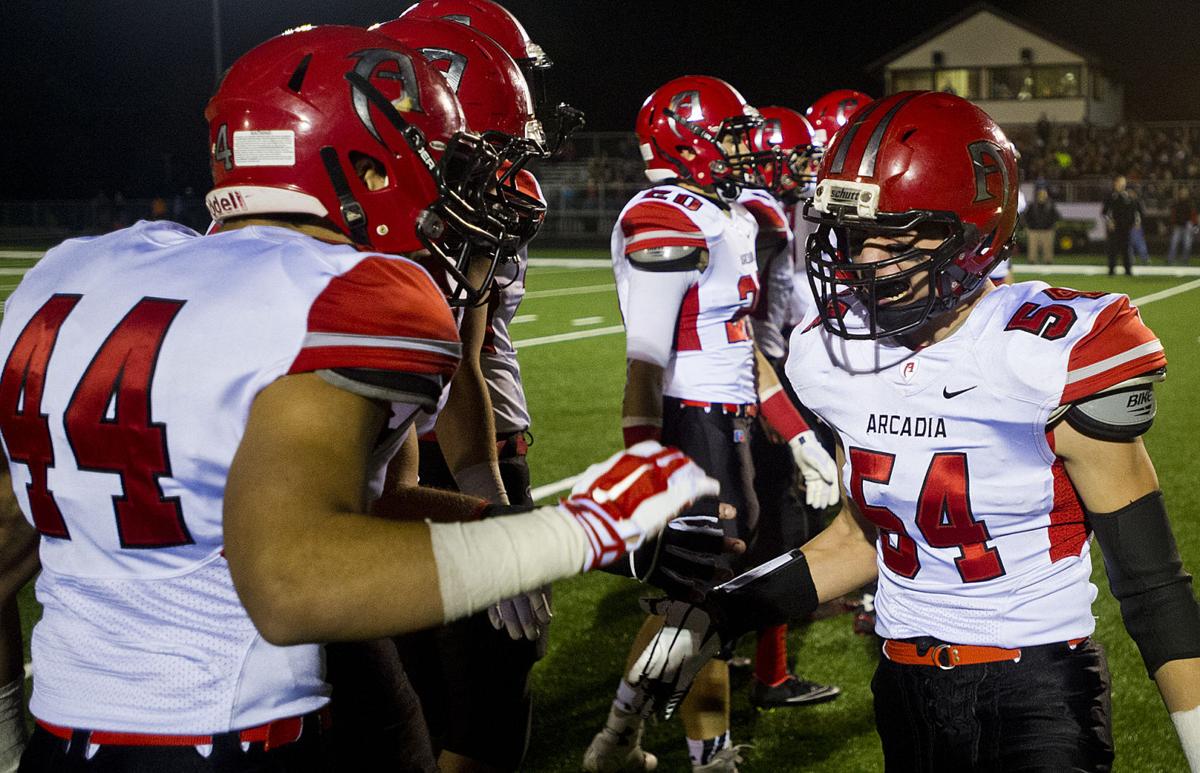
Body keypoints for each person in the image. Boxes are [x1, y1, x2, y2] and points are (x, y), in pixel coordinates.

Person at [0, 26, 717, 773]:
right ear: (361, 157)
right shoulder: (346, 295)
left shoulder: (80, 273)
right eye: (448, 164)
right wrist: (576, 533)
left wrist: (5, 732)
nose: (459, 190)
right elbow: (288, 581)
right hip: (236, 737)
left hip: (65, 739)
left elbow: (7, 536)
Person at [638, 90, 1200, 772]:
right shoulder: (832, 354)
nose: (864, 258)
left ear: (972, 231)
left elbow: (1151, 584)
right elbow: (863, 537)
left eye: (895, 234)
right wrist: (722, 609)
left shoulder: (1048, 351)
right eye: (852, 233)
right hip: (903, 686)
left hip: (1036, 693)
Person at [582, 75, 837, 773]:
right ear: (684, 135)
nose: (740, 150)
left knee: (692, 608)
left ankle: (618, 739)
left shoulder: (724, 214)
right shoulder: (664, 212)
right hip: (686, 428)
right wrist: (646, 458)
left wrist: (800, 435)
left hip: (728, 429)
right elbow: (645, 359)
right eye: (728, 137)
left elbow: (741, 346)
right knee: (699, 612)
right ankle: (708, 755)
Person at [373, 14, 556, 773]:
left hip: (422, 459)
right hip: (373, 466)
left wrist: (485, 494)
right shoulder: (372, 210)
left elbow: (461, 358)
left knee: (461, 688)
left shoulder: (467, 204)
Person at [1101, 175, 1141, 276]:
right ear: (1115, 183)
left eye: (1124, 182)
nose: (1123, 184)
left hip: (1126, 227)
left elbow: (1136, 210)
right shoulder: (1111, 196)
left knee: (1126, 249)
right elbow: (1104, 212)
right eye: (1120, 182)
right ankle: (1111, 270)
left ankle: (1128, 270)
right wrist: (1109, 222)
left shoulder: (1128, 196)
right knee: (1113, 249)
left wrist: (1136, 221)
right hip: (1114, 227)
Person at [1024, 186, 1061, 265]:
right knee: (1032, 247)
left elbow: (1056, 217)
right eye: (1040, 194)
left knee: (1048, 247)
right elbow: (1026, 217)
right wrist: (1029, 226)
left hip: (1047, 230)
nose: (1042, 195)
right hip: (1033, 230)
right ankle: (1032, 261)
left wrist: (1051, 226)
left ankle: (1048, 261)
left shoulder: (1050, 205)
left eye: (1044, 194)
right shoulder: (1032, 205)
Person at [1167, 185, 1196, 266]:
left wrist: (1193, 224)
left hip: (1187, 225)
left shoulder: (1190, 203)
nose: (1183, 194)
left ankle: (1185, 261)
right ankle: (1170, 260)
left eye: (1184, 193)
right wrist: (1173, 224)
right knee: (1174, 243)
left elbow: (1193, 214)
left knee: (1187, 244)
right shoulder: (1176, 203)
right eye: (1182, 193)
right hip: (1178, 225)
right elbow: (1173, 214)